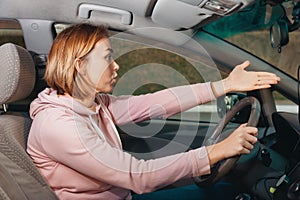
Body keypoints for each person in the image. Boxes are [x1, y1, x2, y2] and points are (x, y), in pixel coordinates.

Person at [27, 23, 280, 200]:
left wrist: (225, 85)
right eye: (107, 58)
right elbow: (136, 175)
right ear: (80, 66)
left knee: (222, 191)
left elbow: (156, 103)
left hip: (124, 195)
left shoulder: (93, 104)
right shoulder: (58, 125)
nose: (116, 66)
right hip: (126, 192)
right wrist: (216, 151)